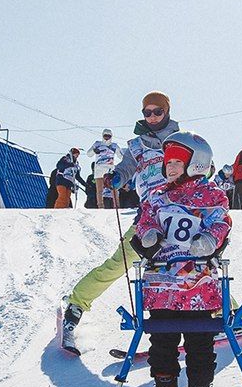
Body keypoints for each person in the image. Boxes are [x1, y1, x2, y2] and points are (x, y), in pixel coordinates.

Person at [59, 91, 180, 353]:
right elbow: (126, 167)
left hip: (179, 214)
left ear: (167, 112)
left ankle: (229, 312)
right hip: (149, 216)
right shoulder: (137, 145)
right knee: (120, 263)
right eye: (147, 112)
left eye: (157, 112)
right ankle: (76, 304)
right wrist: (118, 177)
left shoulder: (179, 140)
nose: (152, 117)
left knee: (195, 264)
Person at [129, 132, 231, 387]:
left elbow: (221, 222)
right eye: (168, 161)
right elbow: (144, 221)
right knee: (163, 344)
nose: (170, 167)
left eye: (177, 161)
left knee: (200, 344)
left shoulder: (212, 195)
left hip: (197, 285)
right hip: (162, 287)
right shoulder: (157, 197)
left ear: (196, 164)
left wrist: (211, 239)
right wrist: (147, 235)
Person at [88, 129, 120, 209]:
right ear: (102, 135)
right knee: (99, 190)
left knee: (114, 189)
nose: (107, 138)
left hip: (110, 170)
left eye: (108, 136)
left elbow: (121, 155)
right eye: (105, 135)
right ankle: (100, 206)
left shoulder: (114, 146)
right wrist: (94, 150)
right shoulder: (97, 144)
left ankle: (116, 206)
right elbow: (89, 154)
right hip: (99, 170)